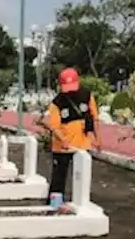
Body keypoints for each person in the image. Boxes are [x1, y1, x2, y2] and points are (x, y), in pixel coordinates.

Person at [40, 68, 100, 204]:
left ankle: (81, 202)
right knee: (58, 178)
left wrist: (97, 139)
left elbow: (94, 118)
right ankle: (54, 205)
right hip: (62, 147)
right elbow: (54, 125)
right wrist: (63, 139)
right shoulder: (56, 103)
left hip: (82, 144)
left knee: (81, 176)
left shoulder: (87, 96)